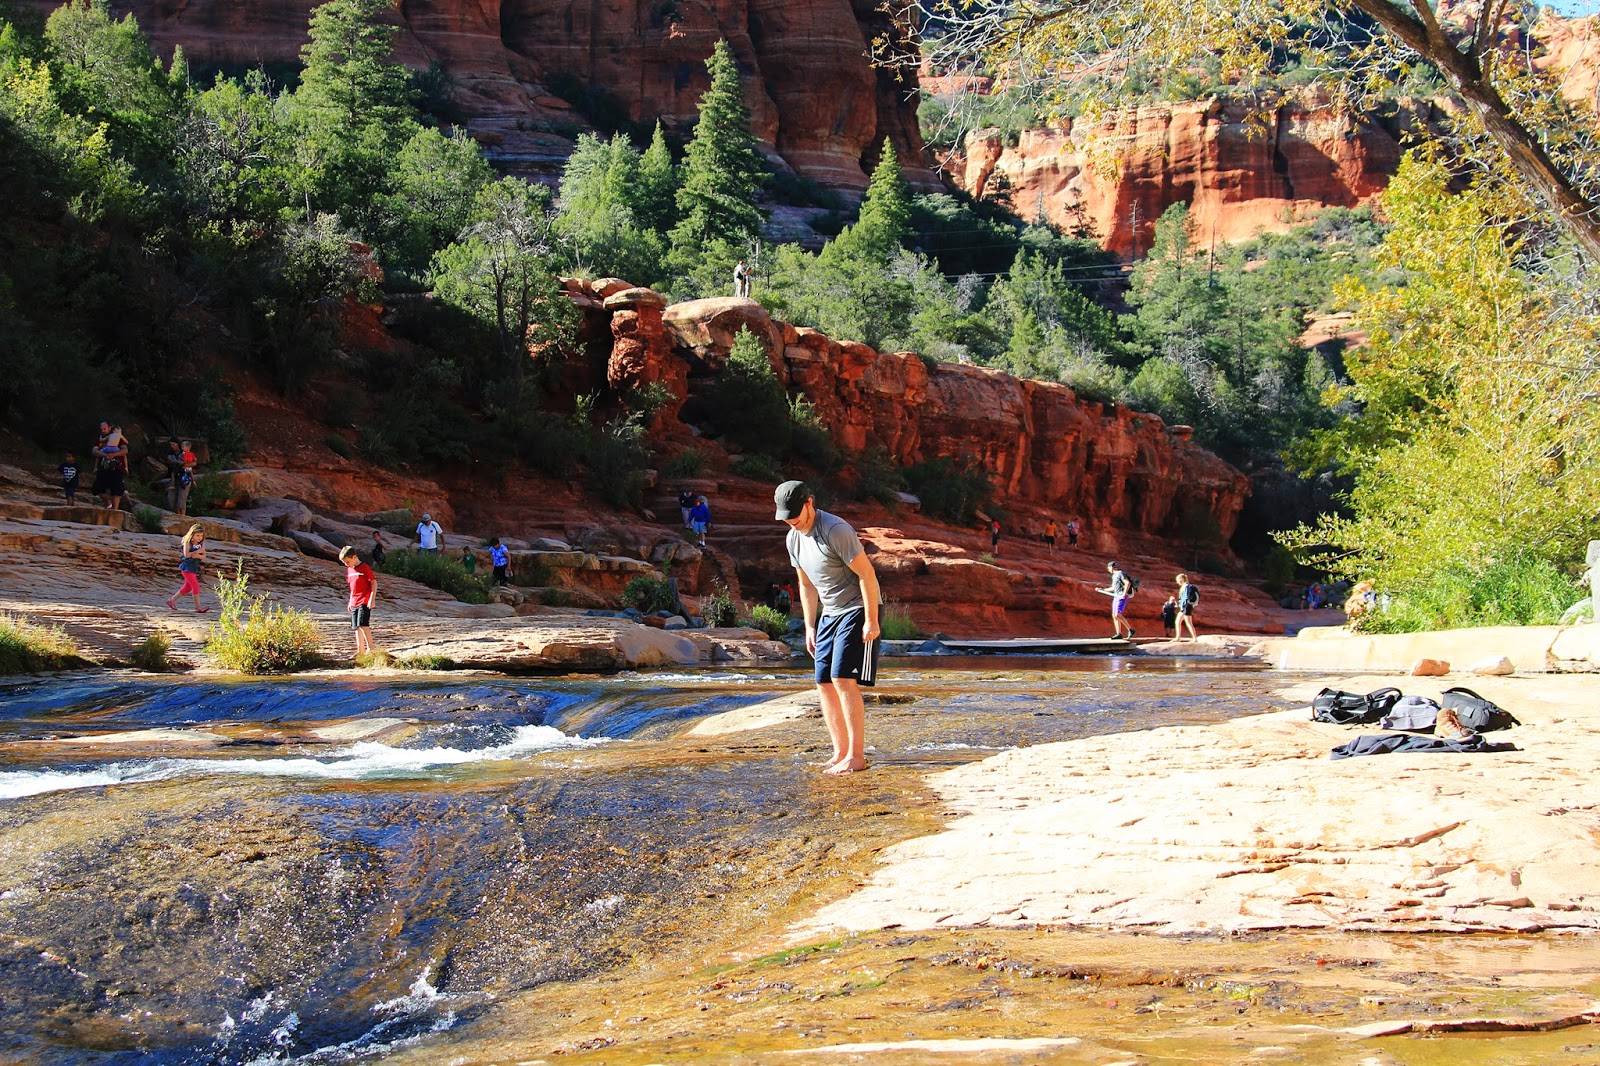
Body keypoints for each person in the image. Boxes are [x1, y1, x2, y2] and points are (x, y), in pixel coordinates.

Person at [775, 479, 881, 775]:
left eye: (795, 514)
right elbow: (806, 584)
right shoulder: (793, 538)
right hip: (829, 614)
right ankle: (839, 753)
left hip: (857, 607)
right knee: (823, 681)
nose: (792, 522)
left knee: (842, 679)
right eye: (786, 517)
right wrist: (810, 626)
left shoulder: (836, 530)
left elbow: (867, 576)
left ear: (810, 502)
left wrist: (871, 620)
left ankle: (856, 757)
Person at [338, 545, 379, 658]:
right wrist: (350, 601)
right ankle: (360, 650)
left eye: (347, 561)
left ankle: (371, 648)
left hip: (364, 600)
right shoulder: (349, 570)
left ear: (354, 557)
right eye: (344, 563)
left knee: (363, 624)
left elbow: (373, 583)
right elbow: (352, 587)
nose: (346, 564)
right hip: (354, 601)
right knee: (356, 626)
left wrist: (372, 598)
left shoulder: (364, 568)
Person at [165, 524, 210, 612]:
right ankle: (198, 607)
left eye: (201, 536)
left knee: (187, 587)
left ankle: (172, 600)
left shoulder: (201, 544)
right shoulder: (187, 542)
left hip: (194, 567)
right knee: (195, 586)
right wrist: (197, 553)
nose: (199, 538)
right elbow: (187, 555)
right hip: (187, 568)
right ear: (192, 535)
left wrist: (197, 555)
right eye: (197, 535)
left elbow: (203, 555)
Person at [1095, 560, 1135, 639]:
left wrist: (1124, 594)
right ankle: (1118, 633)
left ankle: (1130, 630)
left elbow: (1127, 583)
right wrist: (1102, 590)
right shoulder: (1114, 576)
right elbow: (1113, 588)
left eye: (1108, 568)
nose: (1108, 569)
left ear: (1111, 567)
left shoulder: (1120, 573)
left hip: (1121, 596)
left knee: (1117, 614)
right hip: (1116, 595)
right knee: (1114, 615)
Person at [163, 439, 191, 516]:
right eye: (171, 445)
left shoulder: (184, 453)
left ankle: (183, 516)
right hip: (174, 477)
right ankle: (177, 514)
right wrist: (180, 462)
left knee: (181, 500)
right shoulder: (170, 454)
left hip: (183, 477)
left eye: (173, 444)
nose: (172, 446)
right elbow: (170, 460)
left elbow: (190, 465)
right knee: (171, 500)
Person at [1175, 573, 1199, 641]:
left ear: (1181, 579)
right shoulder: (1184, 586)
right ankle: (1178, 638)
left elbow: (1186, 597)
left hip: (1186, 606)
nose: (1177, 582)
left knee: (1188, 623)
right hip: (1184, 607)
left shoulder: (1187, 587)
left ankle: (1195, 638)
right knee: (1177, 621)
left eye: (1177, 580)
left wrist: (1183, 605)